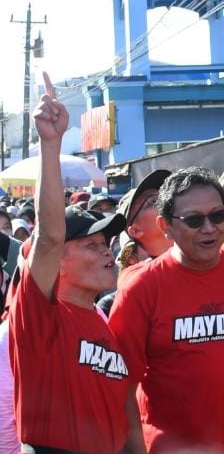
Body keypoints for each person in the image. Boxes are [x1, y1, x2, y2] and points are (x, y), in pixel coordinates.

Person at [109, 167, 224, 452]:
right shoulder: (140, 288)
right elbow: (122, 385)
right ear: (165, 226)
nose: (209, 229)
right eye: (194, 220)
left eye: (217, 215)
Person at [9, 74, 129, 453]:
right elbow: (47, 239)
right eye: (93, 245)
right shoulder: (39, 315)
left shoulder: (100, 321)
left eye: (107, 243)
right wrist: (51, 144)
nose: (108, 252)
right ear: (59, 260)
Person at [118, 160, 224, 285]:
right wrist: (214, 207)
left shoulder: (223, 252)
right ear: (135, 230)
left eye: (166, 197)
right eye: (154, 201)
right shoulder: (133, 277)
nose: (165, 204)